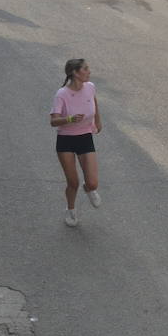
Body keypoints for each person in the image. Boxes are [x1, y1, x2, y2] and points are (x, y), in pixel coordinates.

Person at [49, 58, 102, 228]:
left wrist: (98, 121)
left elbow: (94, 102)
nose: (89, 71)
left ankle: (89, 190)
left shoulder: (90, 87)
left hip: (85, 137)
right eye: (85, 69)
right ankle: (71, 210)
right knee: (73, 182)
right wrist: (69, 119)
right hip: (66, 140)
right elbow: (53, 121)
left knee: (93, 183)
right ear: (75, 73)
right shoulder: (62, 94)